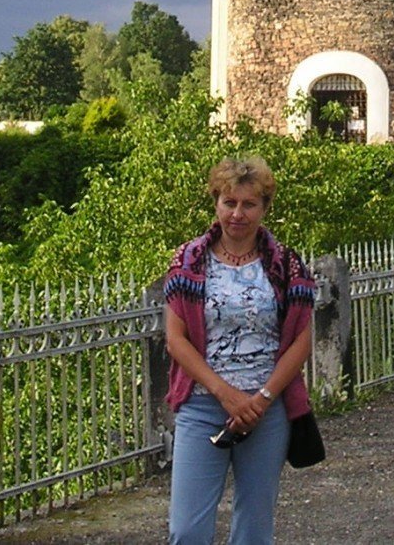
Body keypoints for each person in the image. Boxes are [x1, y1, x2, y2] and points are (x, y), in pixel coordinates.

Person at [163, 155, 315, 545]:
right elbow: (176, 339)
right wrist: (226, 395)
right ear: (216, 202)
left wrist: (261, 400)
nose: (237, 213)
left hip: (267, 410)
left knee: (253, 529)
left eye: (249, 204)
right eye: (229, 202)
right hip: (202, 405)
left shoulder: (287, 264)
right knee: (187, 530)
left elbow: (301, 339)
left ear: (265, 208)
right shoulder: (188, 261)